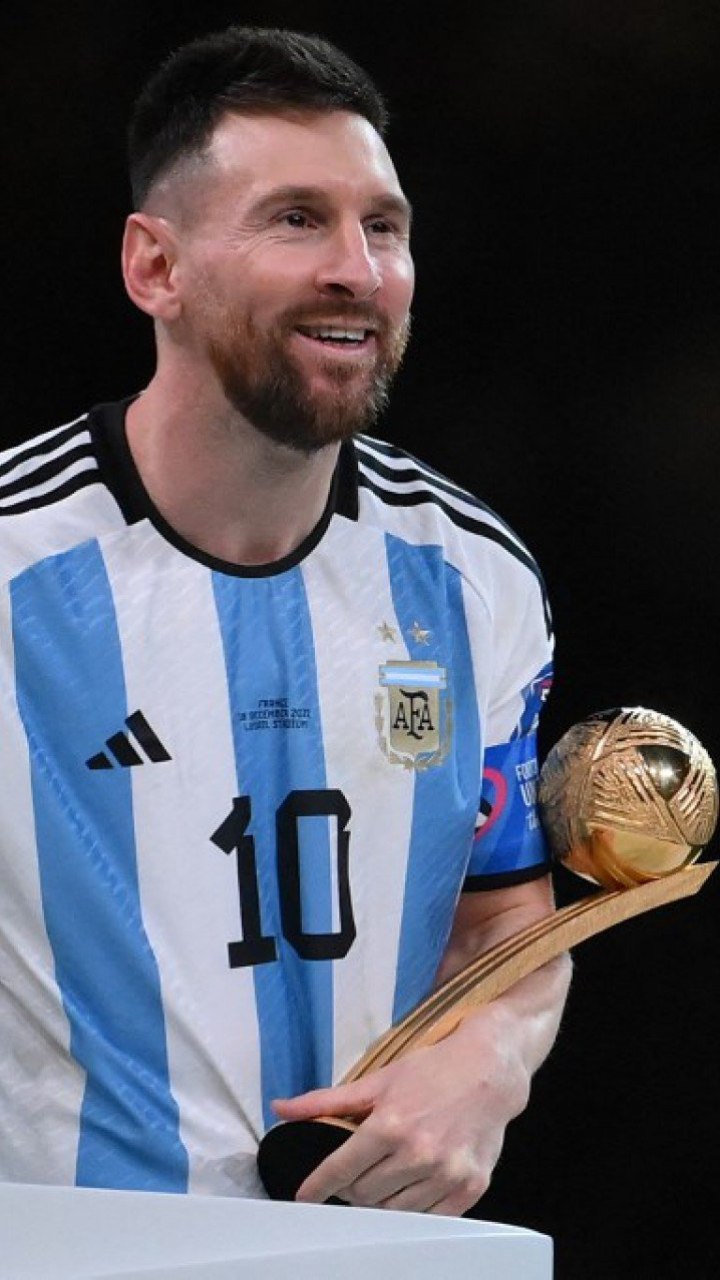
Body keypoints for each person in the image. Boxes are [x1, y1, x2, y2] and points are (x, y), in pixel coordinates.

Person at [0, 25, 570, 1215]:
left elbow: (506, 919)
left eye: (385, 225)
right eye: (296, 218)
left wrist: (490, 1060)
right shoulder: (15, 567)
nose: (358, 270)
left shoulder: (476, 580)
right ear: (154, 267)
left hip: (372, 1254)